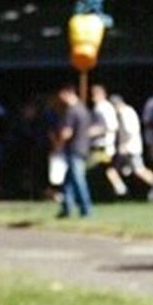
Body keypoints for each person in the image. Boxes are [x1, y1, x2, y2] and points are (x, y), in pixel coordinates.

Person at [55, 83, 94, 218]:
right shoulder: (83, 109)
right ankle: (67, 207)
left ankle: (86, 209)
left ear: (67, 93)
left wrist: (58, 145)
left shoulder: (72, 111)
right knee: (69, 180)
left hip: (74, 149)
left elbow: (67, 132)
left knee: (78, 180)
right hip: (83, 147)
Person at [109, 94, 153, 193]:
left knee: (139, 170)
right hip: (128, 148)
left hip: (131, 148)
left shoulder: (126, 113)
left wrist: (124, 145)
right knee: (113, 171)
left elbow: (130, 131)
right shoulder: (124, 113)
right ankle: (121, 190)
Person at [89, 84, 127, 197]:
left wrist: (90, 132)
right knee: (108, 170)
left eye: (94, 94)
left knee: (89, 168)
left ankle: (120, 190)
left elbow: (109, 126)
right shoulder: (102, 107)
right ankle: (119, 190)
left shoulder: (102, 108)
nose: (92, 97)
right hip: (103, 144)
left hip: (104, 145)